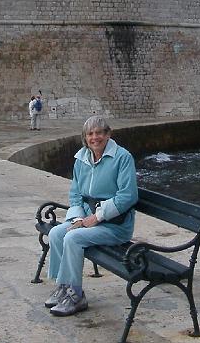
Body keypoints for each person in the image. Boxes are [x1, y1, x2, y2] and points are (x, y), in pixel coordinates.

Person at [44, 116, 138, 317]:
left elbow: (127, 196)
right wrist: (78, 219)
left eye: (99, 133)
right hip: (88, 221)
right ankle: (63, 287)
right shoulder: (82, 159)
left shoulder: (122, 157)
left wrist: (96, 217)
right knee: (56, 233)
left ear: (108, 134)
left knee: (73, 238)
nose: (95, 137)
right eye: (90, 134)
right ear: (85, 138)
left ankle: (76, 296)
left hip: (115, 226)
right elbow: (75, 193)